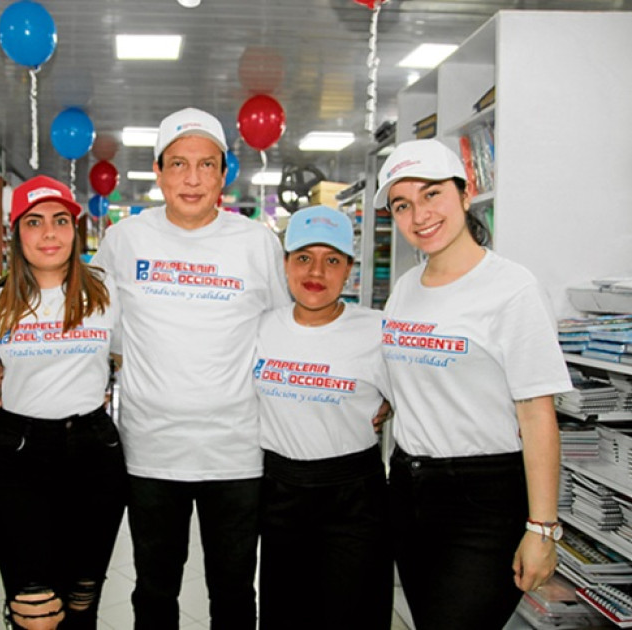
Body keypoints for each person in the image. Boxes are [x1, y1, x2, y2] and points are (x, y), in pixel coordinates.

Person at [93, 107, 290, 629]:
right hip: (151, 450)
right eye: (179, 164)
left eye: (207, 165)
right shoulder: (123, 241)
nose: (193, 178)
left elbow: (285, 333)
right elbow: (93, 329)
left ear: (225, 173)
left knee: (231, 590)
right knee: (154, 588)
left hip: (237, 451)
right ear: (158, 172)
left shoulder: (257, 244)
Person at [376, 139, 571, 630]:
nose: (419, 214)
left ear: (465, 194)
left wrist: (542, 529)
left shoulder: (511, 288)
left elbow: (537, 415)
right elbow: (409, 373)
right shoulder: (405, 287)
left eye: (432, 194)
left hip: (483, 500)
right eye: (403, 204)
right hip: (409, 488)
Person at [0, 175, 126, 630]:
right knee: (36, 612)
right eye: (34, 222)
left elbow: (124, 355)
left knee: (82, 602)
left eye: (60, 220)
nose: (49, 233)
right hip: (19, 456)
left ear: (75, 229)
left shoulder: (106, 294)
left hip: (94, 453)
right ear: (15, 232)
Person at [254, 205, 393, 629]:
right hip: (280, 494)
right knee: (283, 615)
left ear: (349, 269)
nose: (316, 271)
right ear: (285, 264)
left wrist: (389, 404)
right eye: (303, 257)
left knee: (352, 616)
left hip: (354, 498)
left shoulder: (378, 330)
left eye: (332, 260)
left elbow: (423, 393)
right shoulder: (261, 327)